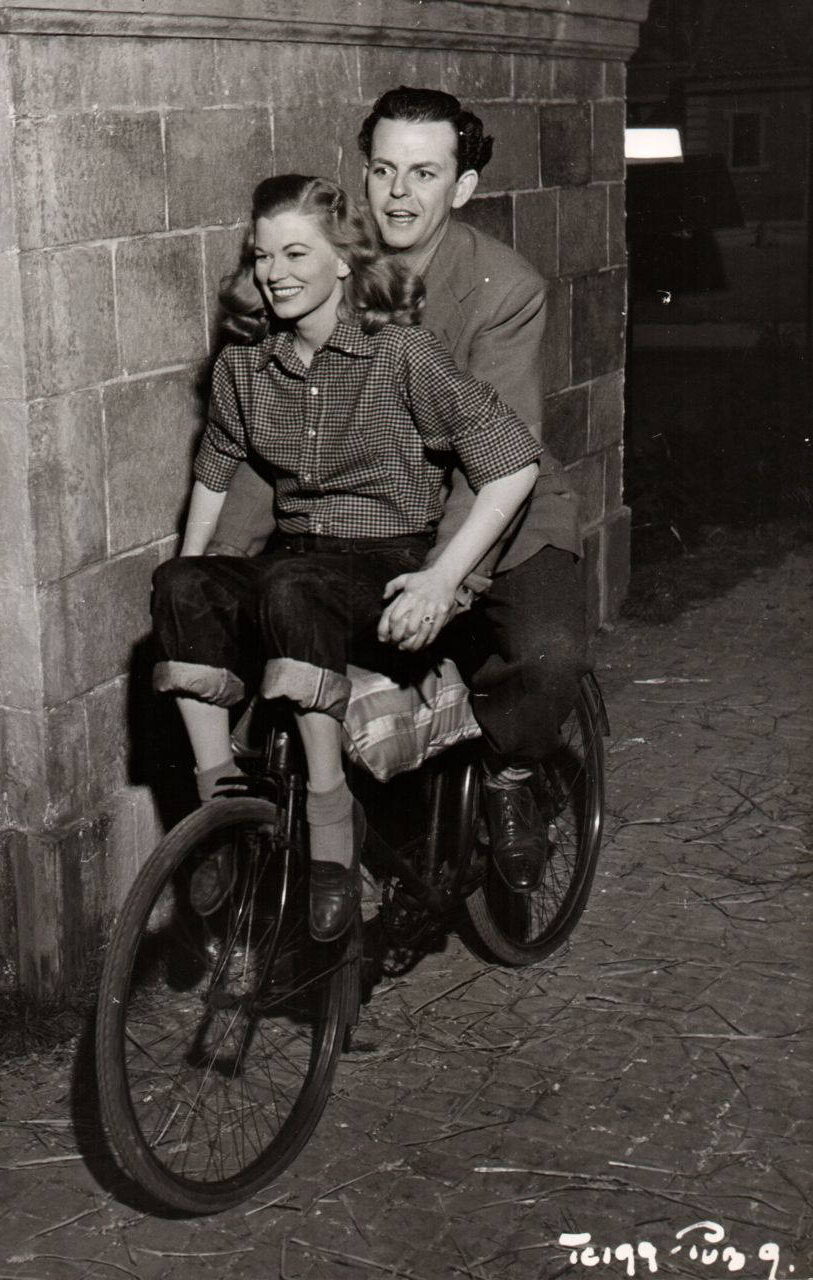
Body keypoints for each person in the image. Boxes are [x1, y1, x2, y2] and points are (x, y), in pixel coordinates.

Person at [209, 87, 587, 895]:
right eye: (382, 170)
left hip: (495, 512)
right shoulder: (322, 264)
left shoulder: (502, 287)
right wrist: (222, 558)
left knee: (546, 650)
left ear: (462, 187)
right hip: (374, 508)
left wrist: (447, 582)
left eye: (424, 173)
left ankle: (512, 777)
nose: (398, 195)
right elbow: (260, 437)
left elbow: (489, 465)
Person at [151, 173, 540, 943]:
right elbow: (213, 475)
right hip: (300, 562)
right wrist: (192, 590)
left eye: (297, 253)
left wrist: (440, 576)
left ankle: (331, 825)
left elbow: (512, 461)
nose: (275, 273)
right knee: (179, 578)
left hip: (383, 562)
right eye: (262, 256)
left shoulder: (401, 355)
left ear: (343, 263)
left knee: (293, 584)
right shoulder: (244, 367)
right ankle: (219, 806)